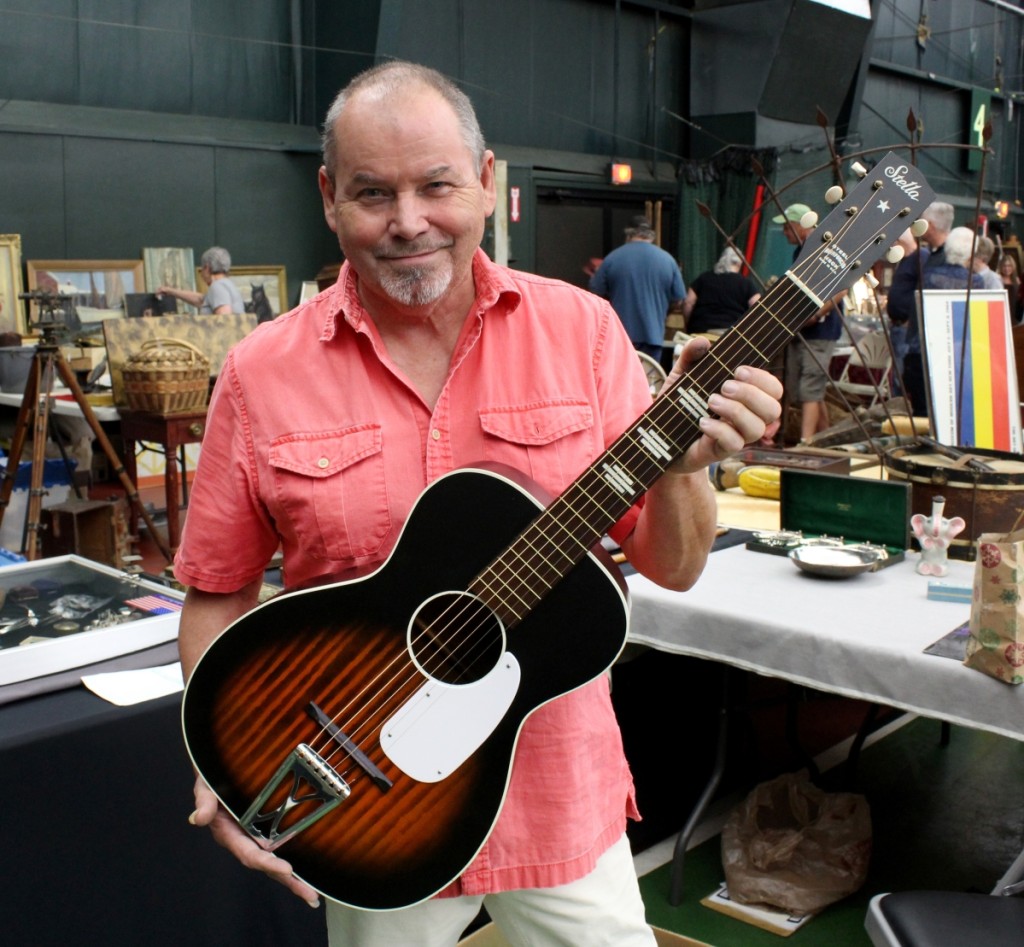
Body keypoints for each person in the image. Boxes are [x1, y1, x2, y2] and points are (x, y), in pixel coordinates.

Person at [173, 61, 781, 947]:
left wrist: (685, 467)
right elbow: (217, 589)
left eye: (437, 185)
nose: (409, 221)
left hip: (558, 801)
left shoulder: (583, 333)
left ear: (488, 181)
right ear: (328, 198)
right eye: (373, 192)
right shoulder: (261, 373)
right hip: (369, 814)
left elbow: (673, 567)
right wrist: (222, 762)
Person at [774, 203, 843, 443]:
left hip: (820, 330)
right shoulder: (799, 251)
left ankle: (805, 443)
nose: (784, 232)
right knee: (808, 389)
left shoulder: (826, 246)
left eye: (786, 227)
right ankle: (826, 438)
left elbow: (842, 286)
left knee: (809, 388)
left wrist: (815, 313)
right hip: (801, 329)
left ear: (799, 224)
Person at [588, 216, 685, 360]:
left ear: (628, 234)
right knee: (647, 381)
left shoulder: (612, 258)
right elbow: (679, 300)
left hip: (619, 336)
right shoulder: (668, 260)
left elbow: (595, 294)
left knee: (619, 380)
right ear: (651, 235)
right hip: (653, 337)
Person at [681, 246, 760, 335]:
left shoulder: (704, 278)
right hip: (732, 333)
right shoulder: (746, 283)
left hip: (701, 330)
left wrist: (687, 325)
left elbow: (688, 302)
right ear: (739, 264)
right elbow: (757, 306)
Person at [157, 246, 245, 314]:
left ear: (207, 267)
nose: (201, 274)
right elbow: (201, 300)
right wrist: (170, 291)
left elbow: (224, 316)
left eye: (202, 269)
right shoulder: (226, 284)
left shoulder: (217, 286)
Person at [997, 252, 1022, 322]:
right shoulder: (998, 279)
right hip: (1002, 311)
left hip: (1015, 313)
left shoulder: (1017, 280)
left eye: (1009, 266)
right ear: (1001, 267)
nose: (1007, 268)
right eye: (1004, 266)